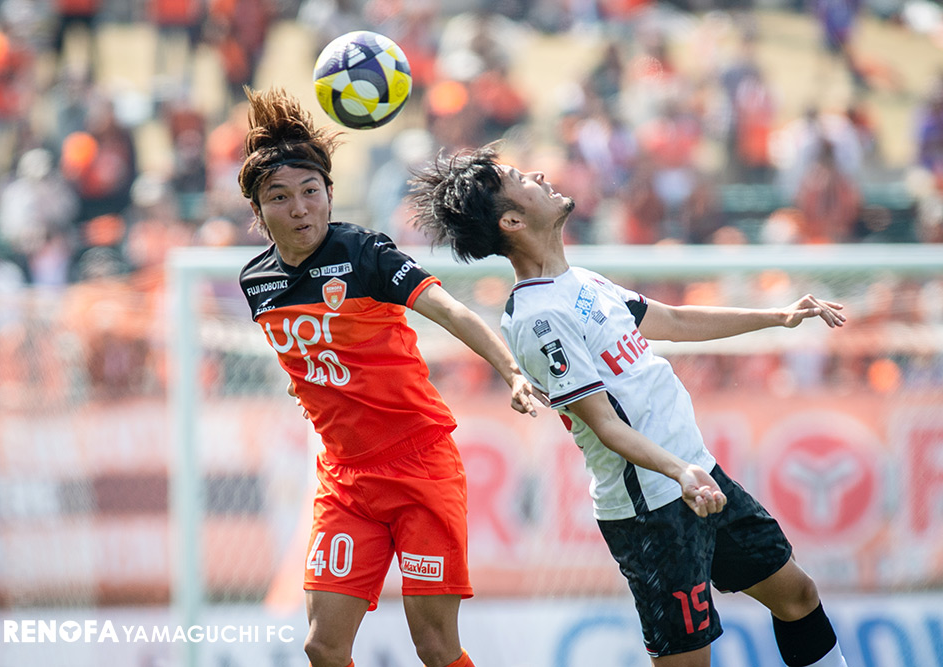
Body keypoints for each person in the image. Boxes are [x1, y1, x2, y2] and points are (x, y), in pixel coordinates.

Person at [236, 88, 673, 667]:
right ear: (258, 211)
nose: (299, 209)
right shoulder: (256, 283)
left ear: (330, 194)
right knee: (322, 646)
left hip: (419, 467)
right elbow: (306, 359)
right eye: (280, 197)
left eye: (310, 191)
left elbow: (451, 311)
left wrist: (511, 370)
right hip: (344, 479)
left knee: (435, 646)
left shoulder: (364, 253)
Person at [408, 143, 850, 667]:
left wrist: (778, 316)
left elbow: (675, 321)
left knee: (797, 595)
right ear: (512, 220)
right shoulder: (539, 318)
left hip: (696, 476)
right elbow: (605, 426)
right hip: (653, 510)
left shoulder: (580, 281)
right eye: (520, 178)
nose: (540, 173)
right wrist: (679, 472)